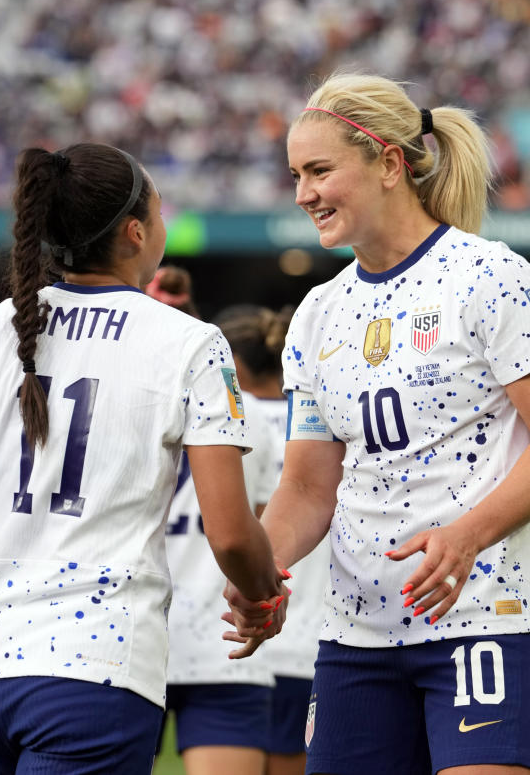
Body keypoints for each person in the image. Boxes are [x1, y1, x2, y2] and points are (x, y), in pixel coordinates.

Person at [0, 143, 287, 775]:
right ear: (136, 233)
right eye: (159, 213)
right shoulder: (191, 342)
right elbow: (232, 533)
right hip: (94, 667)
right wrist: (264, 595)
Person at [228, 72, 530, 775]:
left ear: (390, 164)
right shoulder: (317, 314)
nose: (303, 193)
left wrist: (466, 538)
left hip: (488, 618)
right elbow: (307, 490)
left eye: (320, 171)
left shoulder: (494, 278)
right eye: (296, 174)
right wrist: (258, 574)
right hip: (355, 637)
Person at [147, 272, 279, 775]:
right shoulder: (252, 420)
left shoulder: (116, 404)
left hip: (128, 638)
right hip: (225, 641)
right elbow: (258, 536)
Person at [216, 303, 327, 775]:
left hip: (231, 632)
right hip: (312, 639)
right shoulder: (323, 424)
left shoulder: (221, 427)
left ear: (234, 368)